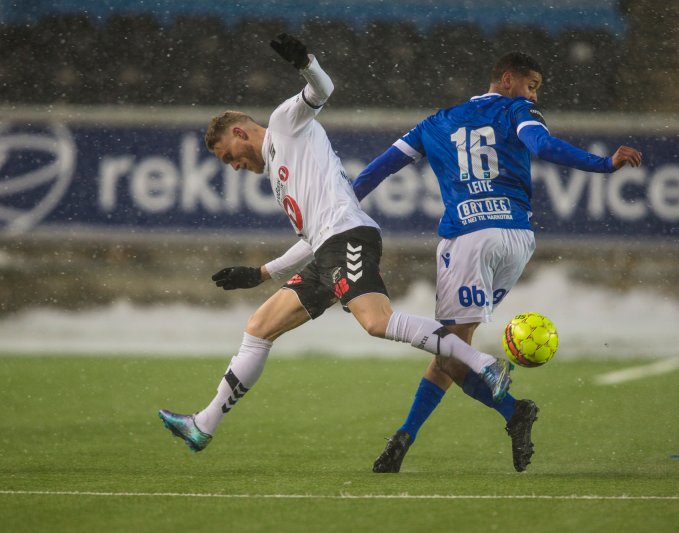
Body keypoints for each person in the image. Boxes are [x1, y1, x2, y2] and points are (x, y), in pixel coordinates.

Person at [157, 34, 515, 456]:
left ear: (239, 131)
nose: (234, 166)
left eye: (228, 156)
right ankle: (204, 425)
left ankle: (485, 364)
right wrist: (259, 274)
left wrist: (306, 62)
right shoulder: (280, 169)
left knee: (377, 322)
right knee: (258, 329)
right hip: (327, 248)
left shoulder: (284, 126)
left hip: (349, 237)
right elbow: (310, 241)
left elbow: (321, 90)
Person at [352, 51, 642, 473]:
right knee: (453, 347)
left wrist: (341, 209)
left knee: (451, 350)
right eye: (532, 85)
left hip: (470, 238)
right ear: (507, 80)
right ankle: (405, 437)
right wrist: (602, 164)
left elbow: (376, 171)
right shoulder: (517, 111)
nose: (533, 94)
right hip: (517, 239)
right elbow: (541, 145)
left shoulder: (434, 123)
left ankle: (511, 411)